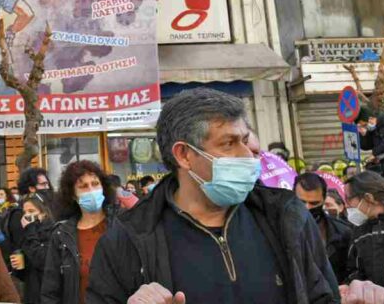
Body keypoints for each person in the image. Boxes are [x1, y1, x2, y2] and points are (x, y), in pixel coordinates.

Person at [87, 87, 340, 303]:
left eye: (243, 140)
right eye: (228, 144)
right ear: (184, 155)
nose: (246, 155)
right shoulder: (127, 242)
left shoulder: (288, 218)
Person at [41, 160, 116, 304]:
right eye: (83, 187)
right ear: (73, 195)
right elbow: (50, 291)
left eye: (95, 184)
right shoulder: (61, 235)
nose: (91, 191)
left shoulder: (121, 226)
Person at [294, 173, 352, 283]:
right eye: (302, 202)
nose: (307, 208)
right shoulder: (279, 229)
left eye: (314, 203)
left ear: (323, 200)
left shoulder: (343, 232)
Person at [17, 193, 55, 304]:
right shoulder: (28, 232)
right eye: (24, 212)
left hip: (47, 294)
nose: (27, 215)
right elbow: (23, 274)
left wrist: (30, 231)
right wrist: (18, 267)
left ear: (43, 213)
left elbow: (41, 260)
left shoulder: (53, 232)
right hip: (30, 293)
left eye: (31, 211)